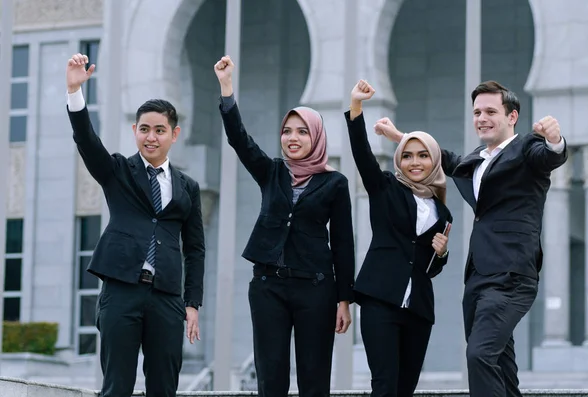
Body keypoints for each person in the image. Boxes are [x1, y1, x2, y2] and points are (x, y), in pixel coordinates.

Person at [374, 80, 567, 397]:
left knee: (479, 355)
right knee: (500, 364)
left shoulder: (528, 148)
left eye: (491, 111)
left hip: (511, 274)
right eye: (477, 112)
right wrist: (400, 138)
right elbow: (446, 159)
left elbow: (550, 157)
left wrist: (555, 139)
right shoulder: (478, 157)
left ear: (512, 116)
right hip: (478, 274)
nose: (482, 118)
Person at [214, 55, 355, 397]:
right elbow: (240, 142)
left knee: (314, 378)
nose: (293, 138)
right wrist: (227, 89)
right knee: (271, 379)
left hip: (316, 290)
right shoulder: (272, 171)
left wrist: (344, 300)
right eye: (287, 131)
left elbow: (343, 243)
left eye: (302, 131)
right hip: (268, 288)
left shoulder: (334, 183)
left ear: (316, 136)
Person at [65, 53, 206, 397]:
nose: (151, 138)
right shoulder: (118, 171)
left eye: (159, 130)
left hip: (166, 297)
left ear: (174, 134)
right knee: (116, 386)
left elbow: (196, 249)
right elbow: (87, 141)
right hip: (121, 291)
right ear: (135, 131)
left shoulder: (188, 187)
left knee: (164, 387)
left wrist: (192, 304)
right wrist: (74, 93)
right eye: (144, 130)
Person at [345, 79, 452, 396]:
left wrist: (442, 254)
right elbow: (362, 155)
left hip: (418, 310)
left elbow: (429, 268)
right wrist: (356, 107)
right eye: (407, 155)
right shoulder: (385, 187)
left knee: (406, 388)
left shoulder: (442, 213)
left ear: (434, 160)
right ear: (399, 160)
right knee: (384, 385)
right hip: (380, 301)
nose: (415, 162)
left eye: (423, 156)